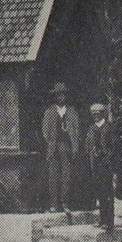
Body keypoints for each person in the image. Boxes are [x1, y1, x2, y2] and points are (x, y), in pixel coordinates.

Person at [41, 82, 79, 212]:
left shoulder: (72, 112)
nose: (60, 97)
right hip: (53, 147)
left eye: (63, 95)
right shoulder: (49, 112)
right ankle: (54, 204)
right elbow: (45, 131)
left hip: (66, 147)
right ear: (55, 97)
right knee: (53, 176)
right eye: (58, 95)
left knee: (66, 176)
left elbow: (76, 131)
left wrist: (74, 147)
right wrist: (51, 142)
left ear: (65, 96)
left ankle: (65, 203)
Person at [85, 102, 115, 231]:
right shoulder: (91, 128)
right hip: (95, 165)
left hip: (105, 165)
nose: (95, 116)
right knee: (99, 193)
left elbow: (113, 147)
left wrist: (106, 158)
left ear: (103, 114)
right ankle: (102, 219)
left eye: (98, 113)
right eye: (93, 114)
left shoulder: (109, 128)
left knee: (107, 193)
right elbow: (87, 145)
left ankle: (109, 221)